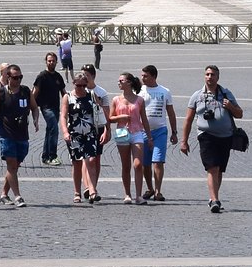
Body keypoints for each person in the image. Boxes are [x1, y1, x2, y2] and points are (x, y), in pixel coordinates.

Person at [178, 64, 242, 213]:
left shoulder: (226, 94)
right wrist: (184, 141)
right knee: (212, 168)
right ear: (204, 76)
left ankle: (213, 197)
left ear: (218, 77)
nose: (209, 77)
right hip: (206, 136)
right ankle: (215, 200)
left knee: (219, 170)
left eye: (213, 75)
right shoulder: (197, 96)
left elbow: (239, 114)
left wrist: (230, 107)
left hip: (225, 136)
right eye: (207, 74)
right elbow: (188, 119)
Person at [0, 64, 35, 208]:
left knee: (15, 166)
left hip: (22, 135)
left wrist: (36, 120)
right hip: (6, 134)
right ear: (8, 77)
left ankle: (3, 194)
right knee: (11, 166)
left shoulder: (26, 91)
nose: (18, 80)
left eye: (20, 77)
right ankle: (18, 196)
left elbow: (34, 107)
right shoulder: (1, 93)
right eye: (15, 77)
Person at [64, 70, 108, 203]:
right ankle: (77, 192)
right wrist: (65, 131)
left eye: (84, 85)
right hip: (74, 134)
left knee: (91, 160)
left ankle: (93, 190)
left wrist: (107, 129)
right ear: (74, 84)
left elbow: (101, 114)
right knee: (77, 163)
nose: (81, 88)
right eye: (79, 86)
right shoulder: (68, 97)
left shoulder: (92, 95)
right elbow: (63, 116)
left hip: (90, 133)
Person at [107, 72, 148, 204]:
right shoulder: (116, 100)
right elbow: (110, 118)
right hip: (122, 133)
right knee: (126, 165)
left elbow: (144, 119)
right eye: (118, 81)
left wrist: (150, 137)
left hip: (137, 132)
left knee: (138, 164)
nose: (119, 83)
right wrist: (120, 118)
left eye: (121, 80)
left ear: (129, 82)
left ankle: (139, 195)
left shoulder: (139, 100)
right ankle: (127, 194)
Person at [138, 64, 178, 201]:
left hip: (160, 131)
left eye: (145, 76)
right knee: (145, 163)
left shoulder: (164, 91)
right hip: (142, 131)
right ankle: (149, 188)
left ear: (154, 76)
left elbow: (171, 113)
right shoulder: (139, 91)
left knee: (158, 161)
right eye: (142, 75)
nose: (142, 78)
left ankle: (158, 191)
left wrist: (174, 132)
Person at [31, 51, 67, 166]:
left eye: (53, 61)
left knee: (50, 130)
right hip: (46, 108)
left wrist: (69, 105)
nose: (51, 63)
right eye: (49, 61)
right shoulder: (42, 76)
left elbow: (63, 92)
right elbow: (35, 92)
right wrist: (30, 107)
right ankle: (52, 155)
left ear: (56, 62)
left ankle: (45, 156)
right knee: (54, 129)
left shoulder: (58, 76)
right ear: (46, 62)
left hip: (56, 107)